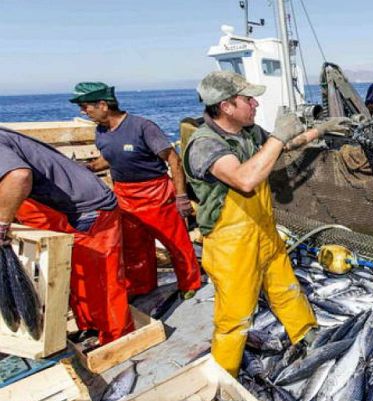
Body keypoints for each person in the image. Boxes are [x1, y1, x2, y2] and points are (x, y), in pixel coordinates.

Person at [183, 71, 351, 375]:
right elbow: (245, 179)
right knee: (234, 316)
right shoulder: (205, 144)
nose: (255, 103)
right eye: (248, 99)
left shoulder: (247, 132)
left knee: (286, 287)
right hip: (230, 244)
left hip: (263, 230)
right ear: (226, 106)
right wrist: (276, 136)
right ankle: (224, 376)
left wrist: (320, 131)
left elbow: (282, 147)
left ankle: (306, 335)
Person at [0, 127, 134, 345]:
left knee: (101, 280)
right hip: (64, 208)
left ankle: (118, 339)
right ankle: (92, 329)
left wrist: (2, 225)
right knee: (75, 275)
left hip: (87, 209)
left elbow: (19, 177)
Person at [69, 82, 202, 299]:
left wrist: (181, 196)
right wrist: (92, 167)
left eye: (86, 107)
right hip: (124, 196)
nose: (83, 112)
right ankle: (142, 287)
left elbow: (173, 160)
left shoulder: (142, 127)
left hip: (155, 193)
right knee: (134, 247)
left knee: (176, 243)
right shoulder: (101, 132)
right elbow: (108, 157)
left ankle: (190, 283)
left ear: (103, 105)